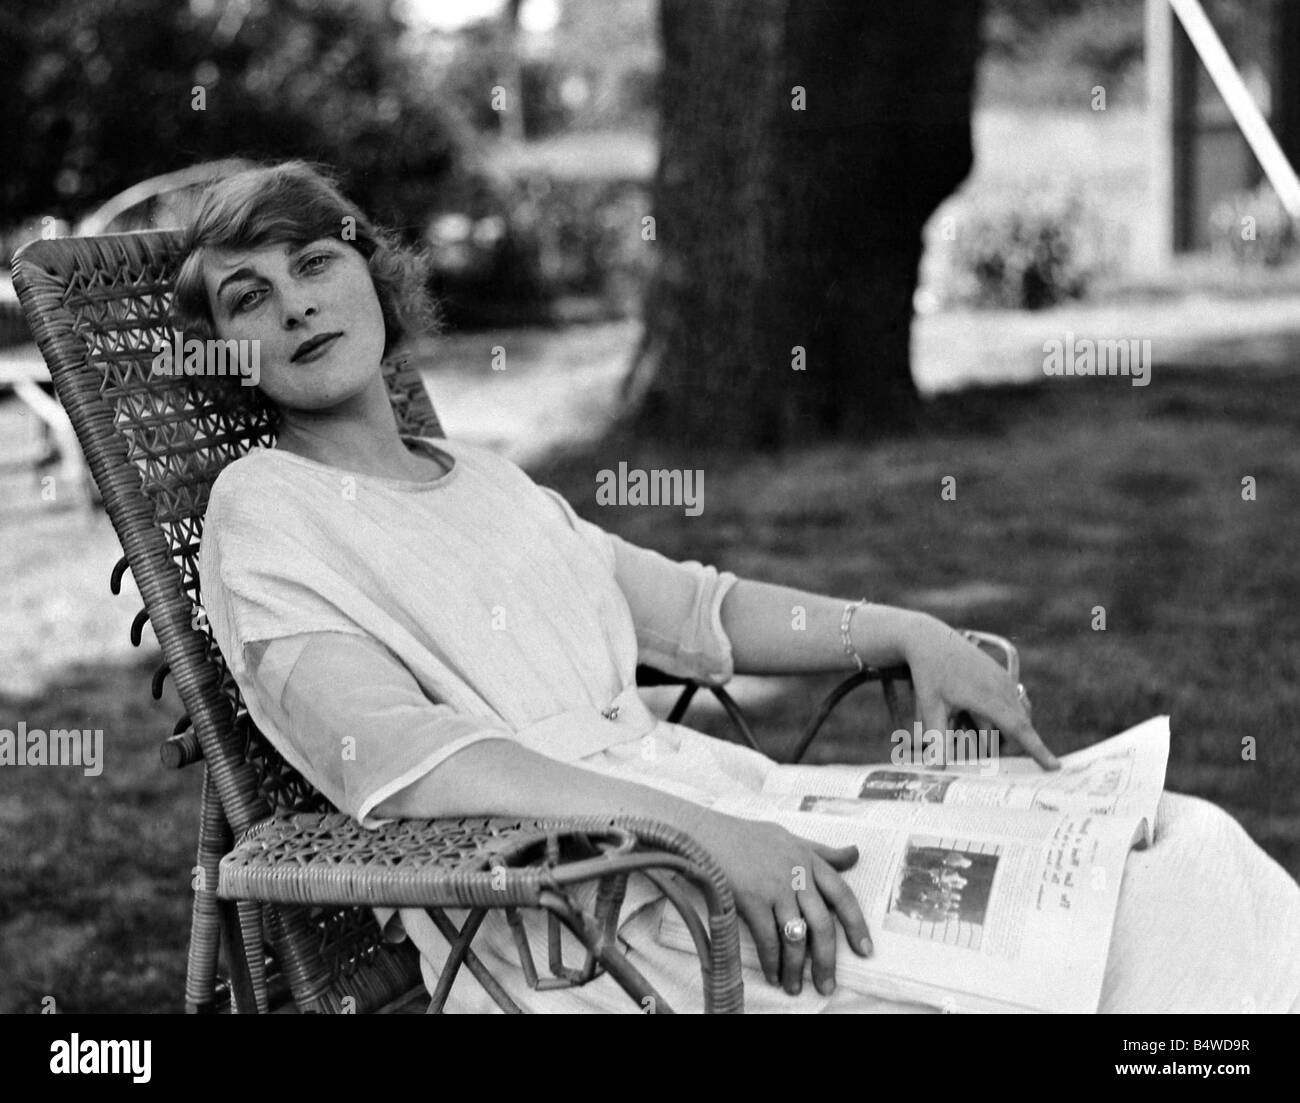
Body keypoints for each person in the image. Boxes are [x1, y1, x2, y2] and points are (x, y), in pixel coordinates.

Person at [179, 161, 1300, 1014]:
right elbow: (413, 763)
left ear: (371, 273)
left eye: (313, 263)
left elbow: (694, 611)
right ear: (225, 351)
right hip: (587, 904)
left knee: (1173, 838)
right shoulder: (264, 508)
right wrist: (704, 832)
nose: (292, 306)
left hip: (723, 810)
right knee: (1138, 926)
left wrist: (907, 631)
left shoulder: (481, 477)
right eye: (246, 295)